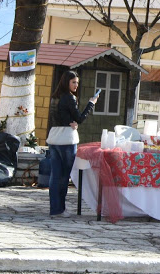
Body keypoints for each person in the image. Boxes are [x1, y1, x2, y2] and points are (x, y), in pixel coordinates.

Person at [48, 71, 98, 217]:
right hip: (67, 139)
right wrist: (91, 103)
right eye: (73, 82)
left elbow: (57, 117)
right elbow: (80, 118)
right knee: (64, 176)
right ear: (67, 83)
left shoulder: (54, 98)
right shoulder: (70, 98)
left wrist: (70, 122)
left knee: (55, 175)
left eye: (77, 82)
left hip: (54, 138)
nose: (76, 85)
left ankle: (54, 208)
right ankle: (60, 209)